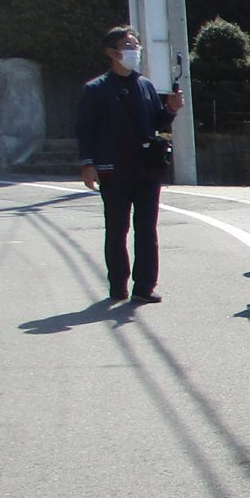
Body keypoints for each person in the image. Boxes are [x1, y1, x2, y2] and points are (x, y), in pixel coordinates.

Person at [74, 24, 184, 304]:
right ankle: (118, 285)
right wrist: (88, 164)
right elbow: (84, 129)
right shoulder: (96, 89)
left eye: (136, 45)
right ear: (112, 52)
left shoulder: (145, 85)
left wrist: (171, 109)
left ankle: (144, 285)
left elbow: (157, 121)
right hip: (113, 170)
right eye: (128, 45)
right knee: (117, 229)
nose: (135, 50)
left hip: (147, 168)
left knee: (147, 229)